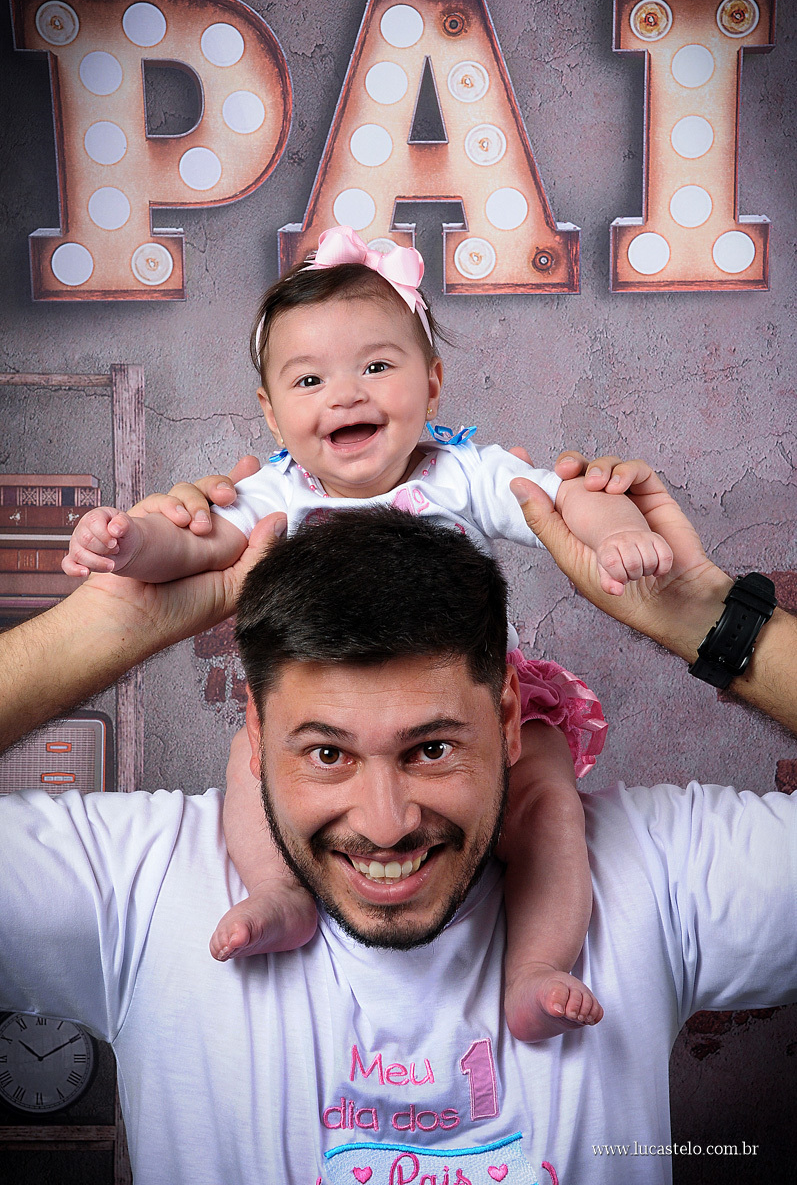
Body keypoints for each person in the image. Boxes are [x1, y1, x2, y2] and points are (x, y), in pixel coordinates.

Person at [1, 483, 795, 1185]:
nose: (385, 825)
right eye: (327, 754)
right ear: (256, 732)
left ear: (510, 719)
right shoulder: (134, 888)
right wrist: (113, 625)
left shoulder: (653, 873)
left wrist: (703, 614)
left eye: (432, 749)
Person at [60, 227, 673, 1042]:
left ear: (433, 383)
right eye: (309, 379)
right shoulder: (274, 492)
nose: (345, 395)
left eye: (377, 367)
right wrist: (129, 543)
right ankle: (280, 892)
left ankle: (535, 968)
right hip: (332, 716)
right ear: (270, 411)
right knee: (249, 767)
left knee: (548, 800)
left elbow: (566, 497)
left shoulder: (465, 471)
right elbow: (196, 544)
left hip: (469, 707)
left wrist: (617, 532)